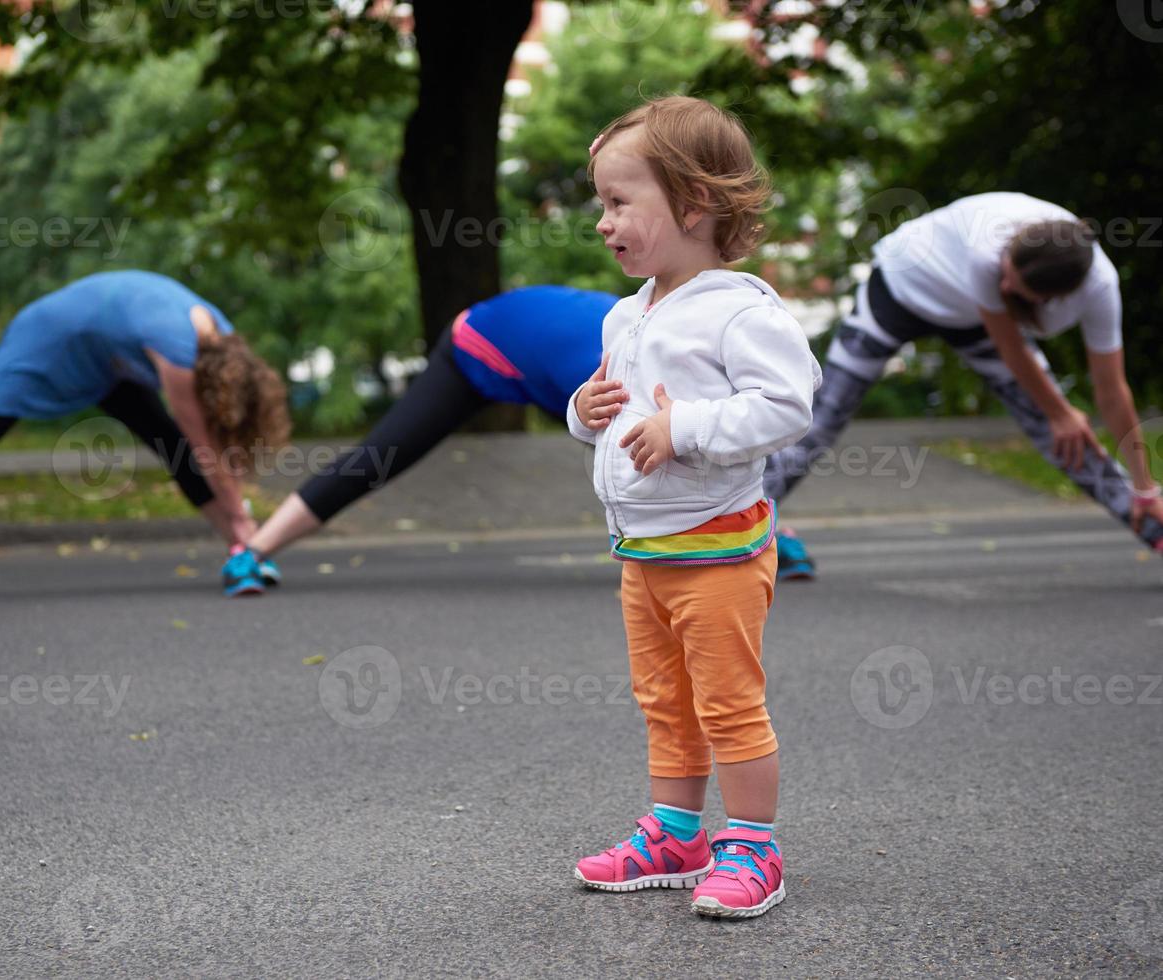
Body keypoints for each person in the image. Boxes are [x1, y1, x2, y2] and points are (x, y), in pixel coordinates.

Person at [566, 96, 820, 919]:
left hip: (716, 550)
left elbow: (787, 405)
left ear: (693, 203)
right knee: (663, 702)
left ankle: (752, 847)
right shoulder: (624, 313)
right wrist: (583, 410)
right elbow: (614, 413)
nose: (602, 221)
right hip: (642, 552)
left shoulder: (738, 309)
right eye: (599, 203)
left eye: (618, 201)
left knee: (726, 704)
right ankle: (677, 835)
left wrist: (687, 429)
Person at [765, 193, 1163, 580]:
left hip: (971, 319)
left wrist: (1145, 485)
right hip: (901, 288)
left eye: (1015, 287)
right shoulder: (987, 251)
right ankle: (746, 523)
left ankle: (1150, 522)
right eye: (1006, 272)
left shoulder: (1101, 287)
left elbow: (1112, 390)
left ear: (1052, 299)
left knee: (1061, 432)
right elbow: (1010, 346)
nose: (1003, 284)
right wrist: (1061, 413)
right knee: (822, 417)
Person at [0, 270, 290, 602]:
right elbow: (207, 450)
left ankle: (240, 550)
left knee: (169, 445)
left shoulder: (223, 336)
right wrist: (245, 517)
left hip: (104, 358)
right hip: (44, 341)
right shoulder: (179, 358)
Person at [220, 285, 618, 596]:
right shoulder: (619, 371)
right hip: (480, 340)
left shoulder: (660, 351)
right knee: (380, 457)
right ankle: (252, 552)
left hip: (543, 353)